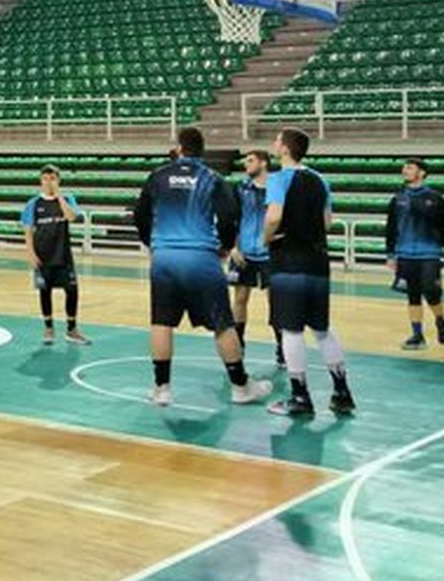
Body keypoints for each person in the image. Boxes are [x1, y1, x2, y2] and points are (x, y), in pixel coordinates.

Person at [132, 127, 272, 409]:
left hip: (165, 259)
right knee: (222, 323)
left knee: (161, 322)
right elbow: (230, 216)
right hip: (201, 257)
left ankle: (162, 389)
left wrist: (153, 244)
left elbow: (140, 216)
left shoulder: (158, 176)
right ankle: (240, 387)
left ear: (179, 148)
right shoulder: (213, 179)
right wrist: (224, 246)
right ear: (201, 150)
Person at [263, 128, 355, 417]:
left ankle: (300, 397)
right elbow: (327, 222)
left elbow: (274, 216)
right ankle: (342, 392)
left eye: (278, 140)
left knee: (291, 330)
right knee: (322, 329)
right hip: (318, 260)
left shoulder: (278, 179)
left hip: (289, 259)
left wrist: (266, 237)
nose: (275, 144)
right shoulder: (320, 179)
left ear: (286, 150)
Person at [387, 157, 444, 350]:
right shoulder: (398, 198)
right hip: (405, 254)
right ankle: (417, 335)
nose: (405, 170)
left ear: (422, 172)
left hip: (430, 254)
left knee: (432, 292)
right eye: (404, 168)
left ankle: (440, 320)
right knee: (412, 296)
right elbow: (390, 228)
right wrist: (390, 255)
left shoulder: (435, 198)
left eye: (409, 167)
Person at [22, 164, 90, 345]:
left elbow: (72, 217)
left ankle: (72, 329)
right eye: (45, 179)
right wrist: (30, 252)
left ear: (58, 180)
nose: (49, 182)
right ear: (40, 181)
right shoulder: (33, 204)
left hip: (64, 255)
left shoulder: (68, 198)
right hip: (43, 254)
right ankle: (49, 328)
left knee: (72, 290)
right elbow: (27, 229)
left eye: (52, 178)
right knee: (45, 292)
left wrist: (59, 196)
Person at [230, 149, 282, 367]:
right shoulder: (240, 188)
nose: (246, 165)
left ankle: (282, 348)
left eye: (250, 161)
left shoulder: (278, 188)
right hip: (244, 252)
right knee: (240, 299)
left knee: (277, 302)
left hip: (271, 254)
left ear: (263, 163)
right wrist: (233, 247)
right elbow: (232, 219)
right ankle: (238, 343)